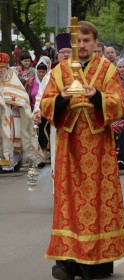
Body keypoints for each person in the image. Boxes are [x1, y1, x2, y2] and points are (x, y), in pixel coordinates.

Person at [41, 21, 124, 279]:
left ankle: (97, 262)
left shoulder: (107, 69)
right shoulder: (60, 71)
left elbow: (120, 104)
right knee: (69, 203)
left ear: (95, 43)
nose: (82, 45)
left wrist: (97, 96)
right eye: (77, 41)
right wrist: (61, 99)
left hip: (98, 147)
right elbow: (46, 103)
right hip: (69, 148)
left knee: (99, 202)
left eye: (87, 41)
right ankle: (67, 260)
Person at [33, 33, 72, 182]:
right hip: (59, 122)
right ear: (58, 55)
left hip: (80, 121)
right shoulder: (51, 75)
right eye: (63, 52)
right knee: (58, 156)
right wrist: (38, 111)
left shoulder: (80, 71)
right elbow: (41, 96)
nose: (66, 54)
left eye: (69, 51)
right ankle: (60, 194)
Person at [0, 53, 41, 172]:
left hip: (12, 114)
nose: (0, 71)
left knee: (11, 138)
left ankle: (9, 164)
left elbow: (23, 98)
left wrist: (9, 99)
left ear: (6, 68)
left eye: (2, 68)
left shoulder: (13, 78)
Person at [25, 57, 51, 168]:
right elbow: (28, 96)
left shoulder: (50, 81)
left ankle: (43, 156)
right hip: (33, 111)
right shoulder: (31, 82)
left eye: (43, 72)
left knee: (43, 135)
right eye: (39, 71)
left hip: (46, 111)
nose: (41, 74)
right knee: (34, 135)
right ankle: (35, 156)